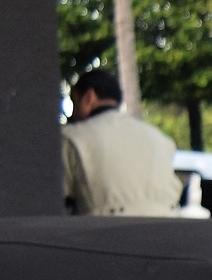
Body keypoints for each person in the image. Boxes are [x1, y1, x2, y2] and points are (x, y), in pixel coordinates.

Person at [61, 68, 179, 216]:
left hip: (103, 232)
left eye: (74, 102)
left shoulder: (71, 137)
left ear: (89, 97)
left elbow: (58, 199)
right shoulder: (160, 138)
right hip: (167, 227)